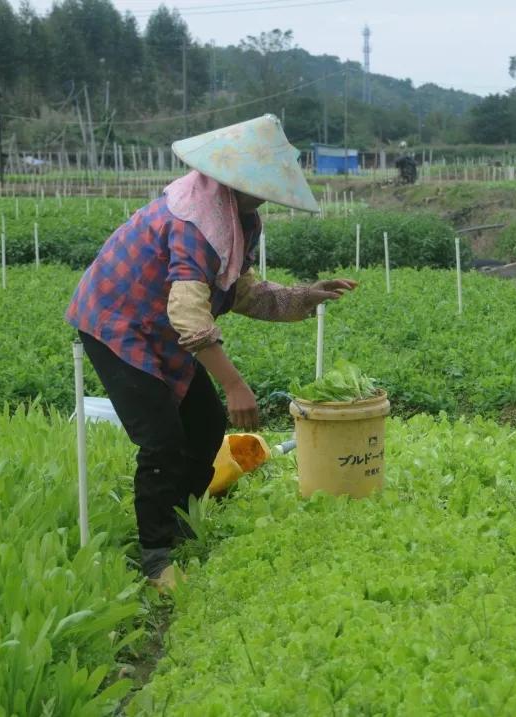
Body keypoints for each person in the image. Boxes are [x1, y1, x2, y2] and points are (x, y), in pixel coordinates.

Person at [65, 114, 357, 592]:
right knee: (161, 440)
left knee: (204, 424)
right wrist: (235, 384)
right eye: (260, 185)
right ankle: (156, 558)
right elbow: (188, 314)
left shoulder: (239, 219)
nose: (266, 194)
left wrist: (304, 296)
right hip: (118, 323)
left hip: (162, 327)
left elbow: (241, 292)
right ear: (236, 180)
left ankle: (181, 520)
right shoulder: (195, 221)